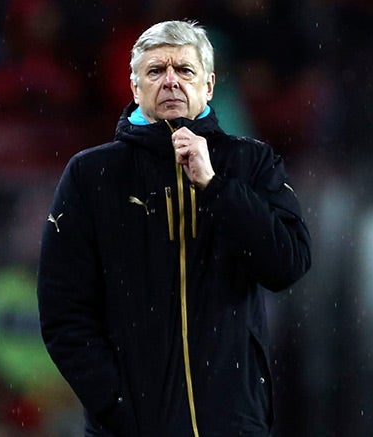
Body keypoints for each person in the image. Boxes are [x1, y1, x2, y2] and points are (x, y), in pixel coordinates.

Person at [37, 20, 311, 436]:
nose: (170, 81)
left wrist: (215, 186)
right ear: (134, 88)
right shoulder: (91, 174)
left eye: (184, 70)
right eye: (155, 71)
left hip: (232, 423)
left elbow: (286, 264)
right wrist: (118, 406)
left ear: (210, 85)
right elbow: (63, 312)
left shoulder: (251, 162)